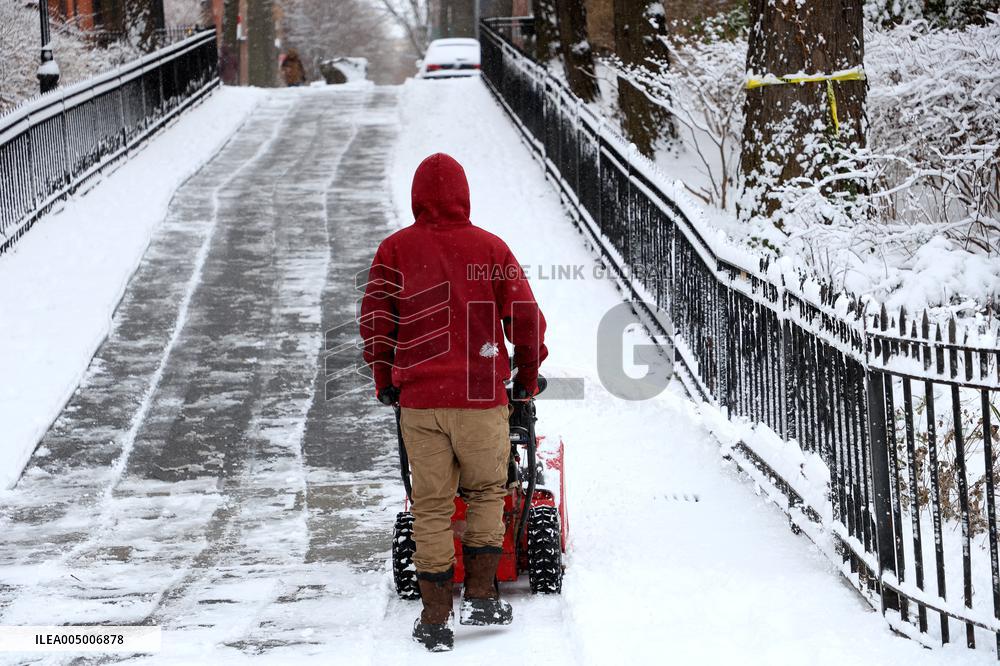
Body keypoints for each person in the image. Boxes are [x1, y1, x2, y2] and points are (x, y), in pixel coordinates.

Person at [359, 153, 547, 652]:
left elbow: (377, 321)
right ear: (465, 194)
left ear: (417, 195)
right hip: (482, 400)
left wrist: (385, 376)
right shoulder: (490, 248)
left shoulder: (395, 251)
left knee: (431, 505)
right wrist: (526, 377)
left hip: (420, 402)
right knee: (488, 490)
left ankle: (435, 616)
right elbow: (526, 320)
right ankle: (482, 595)